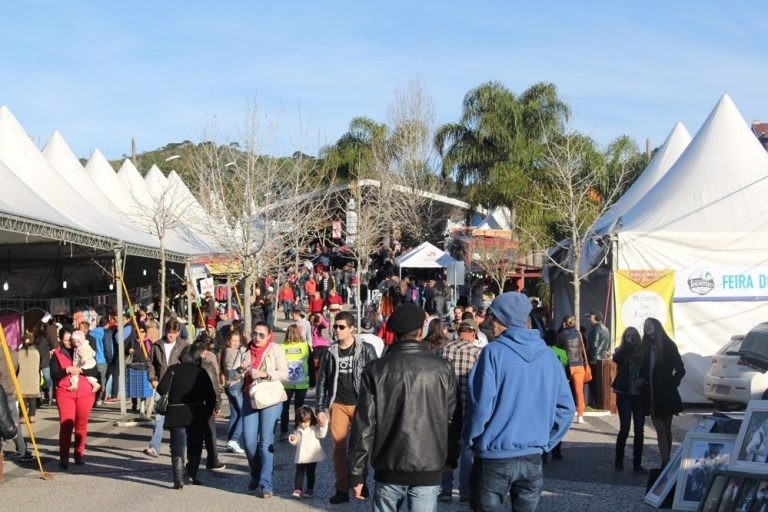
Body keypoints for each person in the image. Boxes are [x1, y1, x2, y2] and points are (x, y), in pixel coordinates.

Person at [464, 292, 575, 512]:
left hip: (494, 455)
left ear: (504, 320)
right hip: (532, 456)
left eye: (493, 318)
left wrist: (471, 439)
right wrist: (546, 442)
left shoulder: (493, 353)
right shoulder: (549, 357)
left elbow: (480, 408)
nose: (490, 323)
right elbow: (566, 408)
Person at [348, 303, 460, 511]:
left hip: (389, 464)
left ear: (393, 331)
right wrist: (450, 458)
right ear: (421, 331)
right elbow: (452, 419)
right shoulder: (442, 368)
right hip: (429, 463)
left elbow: (364, 425)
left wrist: (357, 472)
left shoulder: (376, 369)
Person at [315, 310, 378, 504]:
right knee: (339, 449)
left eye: (342, 327)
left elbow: (376, 377)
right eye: (335, 326)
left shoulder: (366, 349)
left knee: (361, 447)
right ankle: (341, 488)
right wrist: (320, 407)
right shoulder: (330, 351)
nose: (337, 330)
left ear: (352, 329)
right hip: (338, 404)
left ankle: (360, 482)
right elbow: (322, 380)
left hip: (361, 404)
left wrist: (376, 404)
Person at [156, 342, 217, 489]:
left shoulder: (173, 370)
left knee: (177, 444)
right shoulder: (200, 372)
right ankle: (191, 474)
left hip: (176, 411)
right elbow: (211, 395)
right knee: (195, 444)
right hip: (196, 412)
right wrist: (207, 412)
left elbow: (161, 388)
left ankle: (178, 478)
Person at [242, 321, 288, 498]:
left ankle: (266, 484)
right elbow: (233, 373)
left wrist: (265, 374)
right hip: (250, 398)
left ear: (269, 336)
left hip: (270, 398)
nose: (257, 337)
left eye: (261, 335)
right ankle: (255, 473)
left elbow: (285, 373)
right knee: (248, 442)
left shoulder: (275, 349)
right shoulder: (245, 350)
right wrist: (241, 370)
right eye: (255, 334)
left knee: (265, 442)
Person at [437, 317, 481, 502]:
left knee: (447, 449)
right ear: (473, 333)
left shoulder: (443, 349)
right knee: (467, 450)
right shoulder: (478, 353)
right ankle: (465, 492)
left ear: (458, 331)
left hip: (445, 408)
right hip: (468, 408)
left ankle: (446, 490)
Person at [50, 326, 97, 468]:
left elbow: (94, 370)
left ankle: (79, 454)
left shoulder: (84, 349)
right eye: (66, 340)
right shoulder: (57, 354)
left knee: (81, 425)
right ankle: (64, 457)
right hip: (65, 392)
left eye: (72, 340)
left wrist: (85, 367)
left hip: (85, 392)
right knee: (67, 425)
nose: (70, 343)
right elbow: (54, 375)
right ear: (60, 340)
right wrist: (67, 370)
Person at [144, 319, 190, 458]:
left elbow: (188, 364)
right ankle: (154, 447)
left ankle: (177, 448)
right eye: (169, 332)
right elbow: (150, 363)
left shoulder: (184, 345)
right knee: (159, 417)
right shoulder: (157, 345)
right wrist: (152, 379)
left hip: (178, 387)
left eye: (174, 333)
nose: (171, 335)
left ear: (178, 332)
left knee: (178, 420)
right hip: (161, 386)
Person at [643, 317, 685, 468]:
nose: (646, 327)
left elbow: (680, 368)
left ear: (657, 326)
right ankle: (665, 461)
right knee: (660, 429)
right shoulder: (645, 346)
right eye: (645, 325)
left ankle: (667, 459)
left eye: (649, 325)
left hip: (666, 393)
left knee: (666, 428)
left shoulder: (668, 345)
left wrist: (672, 383)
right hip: (651, 394)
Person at [612, 326, 648, 473]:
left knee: (639, 430)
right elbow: (616, 359)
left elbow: (647, 368)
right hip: (624, 393)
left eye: (634, 335)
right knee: (625, 428)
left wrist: (644, 379)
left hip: (639, 395)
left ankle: (637, 464)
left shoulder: (643, 352)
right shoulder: (621, 350)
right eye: (628, 335)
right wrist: (627, 346)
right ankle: (619, 460)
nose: (631, 338)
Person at [288, 405, 329, 498]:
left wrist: (324, 424)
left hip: (312, 456)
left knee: (311, 473)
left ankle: (310, 488)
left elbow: (321, 434)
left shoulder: (314, 428)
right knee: (299, 473)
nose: (303, 425)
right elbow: (296, 442)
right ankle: (297, 489)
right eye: (301, 422)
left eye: (306, 422)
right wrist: (293, 438)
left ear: (311, 420)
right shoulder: (298, 430)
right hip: (301, 456)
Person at [0, 347, 32, 463]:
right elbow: (17, 370)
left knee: (6, 421)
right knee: (13, 422)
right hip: (9, 389)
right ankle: (22, 450)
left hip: (3, 389)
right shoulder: (13, 353)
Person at [280, 324, 311, 441]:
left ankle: (283, 431)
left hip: (285, 382)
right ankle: (299, 430)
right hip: (302, 381)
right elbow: (311, 364)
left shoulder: (281, 347)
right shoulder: (305, 346)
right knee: (299, 408)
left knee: (284, 407)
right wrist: (313, 381)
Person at [221, 329, 247, 454]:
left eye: (238, 340)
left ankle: (230, 442)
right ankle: (234, 440)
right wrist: (241, 370)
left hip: (229, 386)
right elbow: (232, 373)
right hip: (235, 385)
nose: (236, 343)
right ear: (228, 341)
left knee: (235, 414)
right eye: (233, 341)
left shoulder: (226, 351)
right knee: (244, 414)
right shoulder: (233, 352)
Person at [557, 315, 586, 424]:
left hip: (567, 365)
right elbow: (583, 348)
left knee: (565, 391)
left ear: (564, 323)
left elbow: (558, 348)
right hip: (579, 364)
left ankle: (567, 413)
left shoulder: (561, 334)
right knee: (579, 392)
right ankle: (580, 416)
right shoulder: (579, 334)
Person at [17, 332, 41, 423]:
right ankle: (32, 416)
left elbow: (17, 366)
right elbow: (40, 364)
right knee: (32, 397)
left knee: (22, 398)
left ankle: (22, 416)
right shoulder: (36, 352)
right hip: (34, 377)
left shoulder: (20, 352)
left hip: (22, 377)